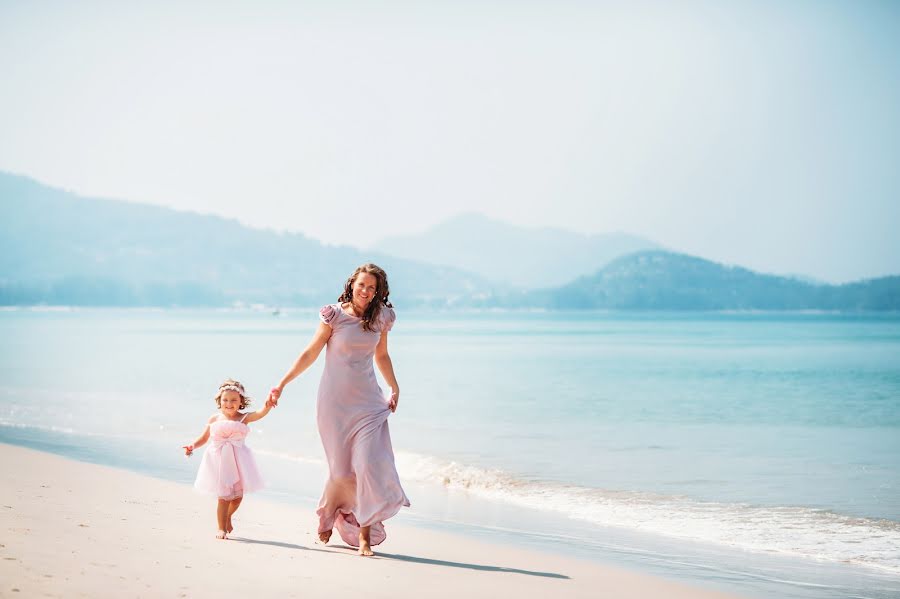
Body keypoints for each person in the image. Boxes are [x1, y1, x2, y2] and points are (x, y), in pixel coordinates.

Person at [269, 263, 409, 556]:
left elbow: (382, 355)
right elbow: (310, 352)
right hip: (334, 404)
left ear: (378, 292)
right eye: (362, 285)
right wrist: (282, 383)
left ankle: (364, 537)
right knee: (342, 470)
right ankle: (328, 512)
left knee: (366, 466)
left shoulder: (383, 318)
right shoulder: (334, 316)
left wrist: (394, 387)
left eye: (372, 288)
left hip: (369, 403)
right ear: (352, 284)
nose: (366, 291)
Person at [183, 379, 273, 539]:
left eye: (234, 400)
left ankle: (228, 517)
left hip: (239, 462)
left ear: (241, 402)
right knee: (223, 497)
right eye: (225, 400)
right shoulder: (214, 419)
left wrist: (267, 405)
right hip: (218, 462)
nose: (229, 403)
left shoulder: (244, 418)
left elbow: (260, 413)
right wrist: (192, 446)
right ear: (219, 400)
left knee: (238, 497)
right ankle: (221, 528)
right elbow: (204, 439)